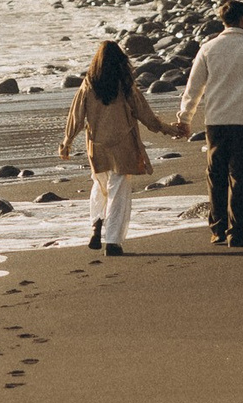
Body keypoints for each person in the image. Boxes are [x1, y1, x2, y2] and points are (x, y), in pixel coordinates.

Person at [173, 0, 243, 247]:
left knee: (216, 174)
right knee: (242, 176)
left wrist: (185, 118)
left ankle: (218, 228)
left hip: (217, 121)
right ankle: (237, 230)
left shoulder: (208, 48)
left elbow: (194, 88)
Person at [57, 39, 168, 257]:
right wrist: (167, 129)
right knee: (119, 191)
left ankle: (96, 224)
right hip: (122, 145)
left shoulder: (88, 84)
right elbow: (144, 114)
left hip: (97, 146)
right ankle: (114, 242)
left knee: (99, 186)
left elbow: (76, 116)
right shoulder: (125, 85)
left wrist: (67, 141)